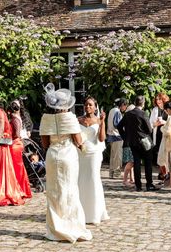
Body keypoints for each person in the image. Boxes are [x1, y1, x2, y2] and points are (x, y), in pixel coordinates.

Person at [39, 84, 92, 242]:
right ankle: (71, 226)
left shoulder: (45, 118)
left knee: (54, 192)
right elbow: (78, 140)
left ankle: (56, 228)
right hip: (68, 155)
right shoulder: (69, 117)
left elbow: (44, 143)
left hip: (52, 155)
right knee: (69, 191)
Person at [77, 96, 109, 224]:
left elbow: (101, 139)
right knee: (81, 180)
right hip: (81, 153)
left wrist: (102, 122)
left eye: (90, 105)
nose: (88, 107)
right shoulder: (78, 120)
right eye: (86, 105)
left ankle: (95, 213)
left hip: (94, 153)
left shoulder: (99, 120)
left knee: (93, 179)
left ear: (95, 107)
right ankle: (81, 211)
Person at [117, 95, 158, 192]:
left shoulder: (128, 114)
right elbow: (149, 130)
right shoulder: (143, 114)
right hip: (144, 141)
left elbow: (119, 126)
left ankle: (138, 185)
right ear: (143, 103)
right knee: (148, 163)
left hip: (132, 142)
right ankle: (149, 184)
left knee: (136, 163)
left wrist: (125, 136)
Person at [8, 100, 33, 199]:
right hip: (17, 143)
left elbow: (17, 134)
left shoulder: (15, 119)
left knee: (17, 168)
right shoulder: (16, 117)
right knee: (18, 167)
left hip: (16, 144)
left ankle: (20, 188)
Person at [106, 98, 127, 179]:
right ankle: (116, 173)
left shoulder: (112, 110)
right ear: (122, 105)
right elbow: (117, 124)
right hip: (117, 136)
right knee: (117, 156)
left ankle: (111, 173)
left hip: (111, 135)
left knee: (113, 155)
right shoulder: (117, 112)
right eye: (125, 106)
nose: (125, 108)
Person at [150, 92, 169, 180]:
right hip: (157, 134)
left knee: (165, 154)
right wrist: (156, 124)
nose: (158, 101)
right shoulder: (155, 110)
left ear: (163, 99)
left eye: (160, 99)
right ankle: (162, 173)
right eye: (157, 99)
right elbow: (150, 123)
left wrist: (163, 122)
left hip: (166, 134)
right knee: (159, 154)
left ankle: (165, 173)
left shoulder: (168, 109)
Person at [121, 104, 136, 187]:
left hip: (128, 142)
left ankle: (131, 178)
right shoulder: (130, 119)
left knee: (131, 162)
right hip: (129, 143)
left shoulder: (127, 119)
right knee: (130, 162)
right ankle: (125, 180)